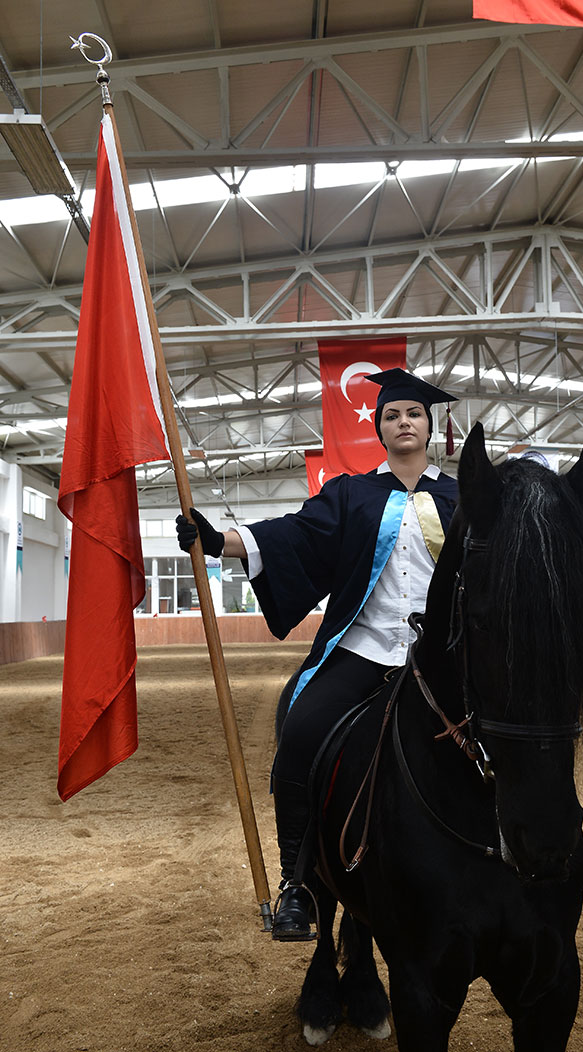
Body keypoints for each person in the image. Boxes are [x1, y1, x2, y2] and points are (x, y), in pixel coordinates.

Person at [176, 368, 458, 940]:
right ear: (378, 430)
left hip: (444, 656)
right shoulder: (352, 494)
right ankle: (298, 883)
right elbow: (292, 535)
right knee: (301, 737)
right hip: (364, 649)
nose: (403, 422)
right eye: (392, 416)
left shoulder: (464, 497)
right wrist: (216, 540)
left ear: (431, 427)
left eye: (414, 414)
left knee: (513, 732)